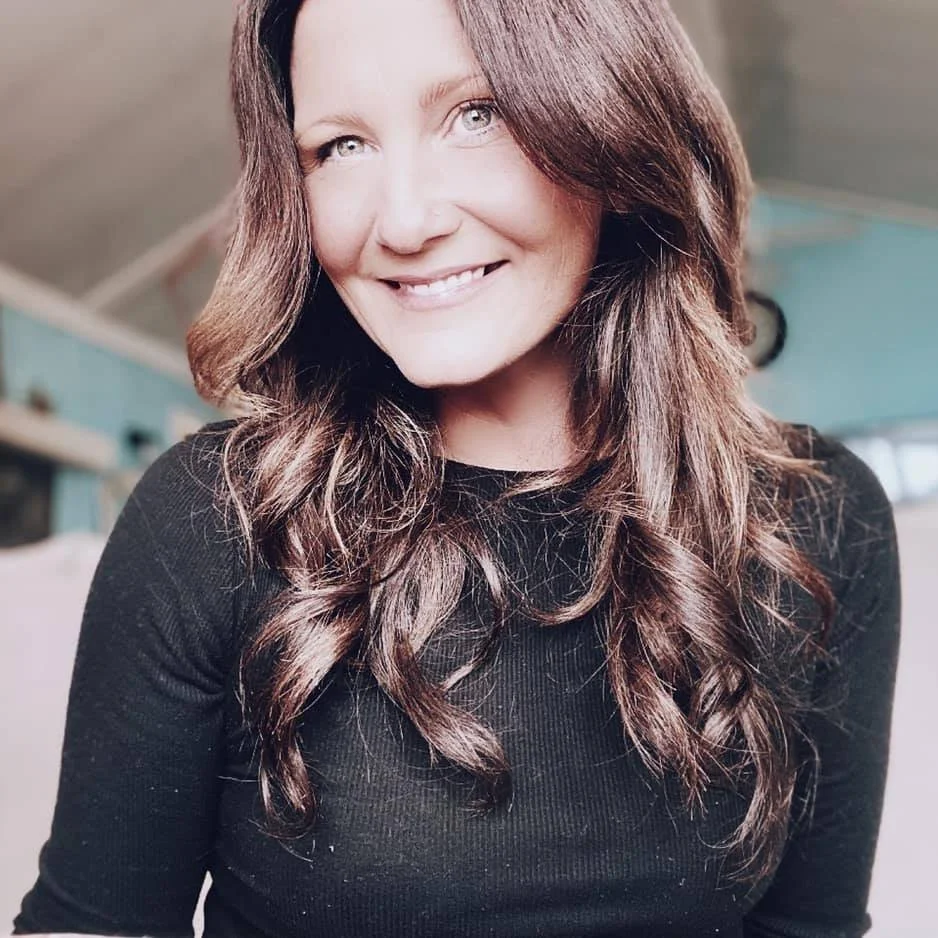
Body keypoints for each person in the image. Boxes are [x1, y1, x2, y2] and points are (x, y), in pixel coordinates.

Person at [13, 0, 901, 936]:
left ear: (616, 122)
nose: (403, 221)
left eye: (478, 115)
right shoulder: (216, 522)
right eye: (340, 146)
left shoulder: (814, 521)